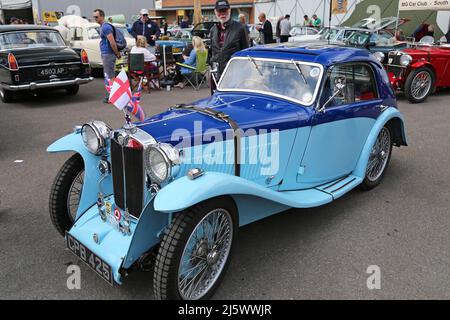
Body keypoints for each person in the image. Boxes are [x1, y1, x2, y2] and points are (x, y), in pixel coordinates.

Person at [209, 0, 249, 80]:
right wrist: (211, 62)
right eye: (220, 11)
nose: (222, 13)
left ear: (229, 10)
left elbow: (245, 51)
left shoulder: (240, 28)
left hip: (234, 75)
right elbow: (212, 51)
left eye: (225, 10)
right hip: (216, 74)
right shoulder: (213, 29)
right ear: (215, 12)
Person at [93, 9, 121, 103]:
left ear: (102, 16)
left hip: (108, 54)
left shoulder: (105, 27)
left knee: (110, 76)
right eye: (94, 17)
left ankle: (113, 97)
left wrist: (117, 53)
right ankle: (113, 96)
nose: (95, 19)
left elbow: (112, 43)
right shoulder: (103, 27)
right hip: (107, 54)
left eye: (96, 17)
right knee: (109, 75)